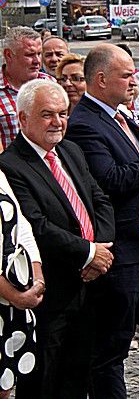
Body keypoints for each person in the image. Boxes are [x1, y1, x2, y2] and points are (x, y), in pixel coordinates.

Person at [0, 79, 114, 398]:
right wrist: (88, 253)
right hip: (51, 290)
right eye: (47, 114)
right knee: (44, 380)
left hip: (89, 285)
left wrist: (100, 251)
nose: (58, 122)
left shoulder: (70, 150)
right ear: (23, 118)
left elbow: (99, 201)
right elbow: (36, 225)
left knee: (79, 375)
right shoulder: (10, 165)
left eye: (63, 114)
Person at [66, 44, 139, 398]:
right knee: (112, 345)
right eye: (125, 75)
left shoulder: (120, 115)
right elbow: (112, 179)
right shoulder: (84, 123)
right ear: (101, 79)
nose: (133, 82)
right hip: (121, 247)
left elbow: (138, 157)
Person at [0, 160, 44, 398]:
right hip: (8, 295)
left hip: (8, 305)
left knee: (5, 384)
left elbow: (21, 225)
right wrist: (15, 296)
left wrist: (37, 277)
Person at [0, 27, 54, 150]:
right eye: (29, 55)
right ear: (8, 55)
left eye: (39, 54)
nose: (37, 61)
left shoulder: (50, 84)